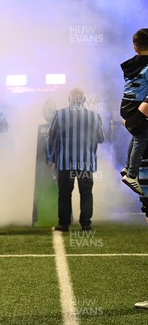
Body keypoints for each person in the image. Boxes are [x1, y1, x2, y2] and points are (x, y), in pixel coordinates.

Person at [47, 88, 105, 231]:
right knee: (86, 193)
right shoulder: (94, 116)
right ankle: (86, 224)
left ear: (69, 98)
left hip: (65, 162)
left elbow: (51, 137)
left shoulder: (59, 115)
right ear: (84, 99)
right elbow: (101, 138)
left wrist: (50, 158)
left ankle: (64, 223)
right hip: (86, 162)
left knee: (65, 193)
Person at [120, 28, 148, 195]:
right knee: (142, 137)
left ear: (135, 47)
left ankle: (127, 167)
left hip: (125, 105)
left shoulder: (131, 64)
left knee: (137, 136)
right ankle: (131, 174)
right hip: (138, 106)